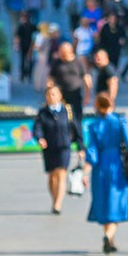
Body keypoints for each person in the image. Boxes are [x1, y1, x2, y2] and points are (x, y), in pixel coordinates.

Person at [84, 93, 128, 254]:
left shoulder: (93, 126)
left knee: (105, 202)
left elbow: (92, 149)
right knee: (117, 201)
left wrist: (86, 170)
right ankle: (109, 236)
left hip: (100, 166)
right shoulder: (119, 122)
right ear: (111, 105)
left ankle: (111, 241)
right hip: (117, 165)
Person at [33, 84, 83, 214]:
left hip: (64, 147)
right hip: (49, 148)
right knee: (52, 176)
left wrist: (80, 147)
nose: (51, 97)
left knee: (61, 173)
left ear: (60, 96)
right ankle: (54, 198)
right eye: (49, 94)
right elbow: (37, 128)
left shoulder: (68, 111)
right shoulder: (43, 113)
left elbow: (77, 129)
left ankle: (58, 203)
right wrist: (40, 139)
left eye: (54, 94)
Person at [49, 41, 91, 112]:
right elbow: (51, 78)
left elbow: (86, 78)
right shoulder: (57, 63)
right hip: (61, 95)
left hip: (75, 94)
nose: (61, 54)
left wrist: (87, 95)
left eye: (63, 52)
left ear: (70, 52)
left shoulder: (78, 62)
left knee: (76, 115)